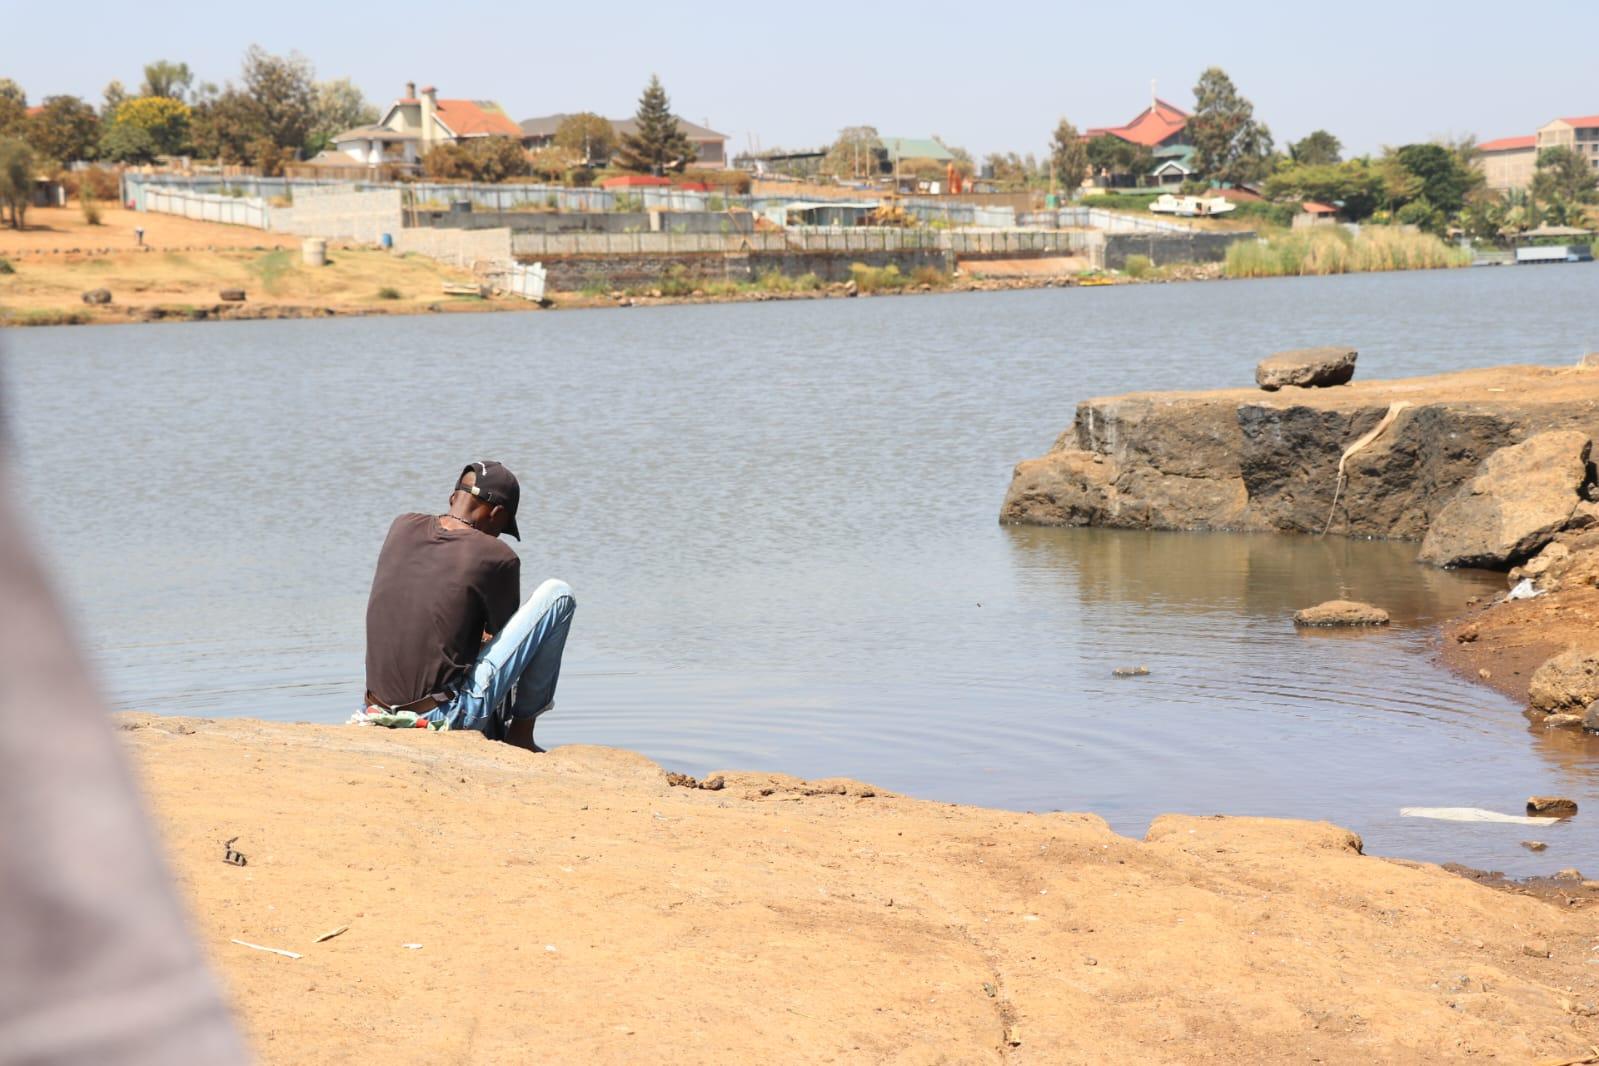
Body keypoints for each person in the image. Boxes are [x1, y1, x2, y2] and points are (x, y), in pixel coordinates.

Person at [363, 460, 575, 751]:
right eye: (501, 528)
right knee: (559, 595)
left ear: (453, 498)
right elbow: (506, 645)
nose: (497, 536)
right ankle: (521, 736)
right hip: (440, 716)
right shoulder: (498, 556)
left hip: (374, 710)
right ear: (497, 514)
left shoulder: (402, 525)